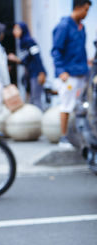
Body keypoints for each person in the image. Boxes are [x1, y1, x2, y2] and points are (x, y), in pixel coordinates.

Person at [51, 0, 91, 149]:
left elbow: (80, 51)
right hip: (68, 75)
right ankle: (63, 137)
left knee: (81, 107)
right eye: (86, 10)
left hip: (81, 73)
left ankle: (79, 137)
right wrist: (61, 71)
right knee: (66, 106)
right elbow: (56, 51)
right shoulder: (64, 26)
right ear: (78, 7)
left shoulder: (81, 27)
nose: (86, 14)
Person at [8, 22, 46, 110]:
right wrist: (16, 59)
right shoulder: (21, 43)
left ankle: (39, 119)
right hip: (29, 74)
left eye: (17, 29)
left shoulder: (29, 41)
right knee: (32, 99)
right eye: (14, 29)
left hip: (36, 73)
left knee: (36, 99)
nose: (14, 31)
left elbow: (37, 57)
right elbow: (26, 61)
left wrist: (41, 72)